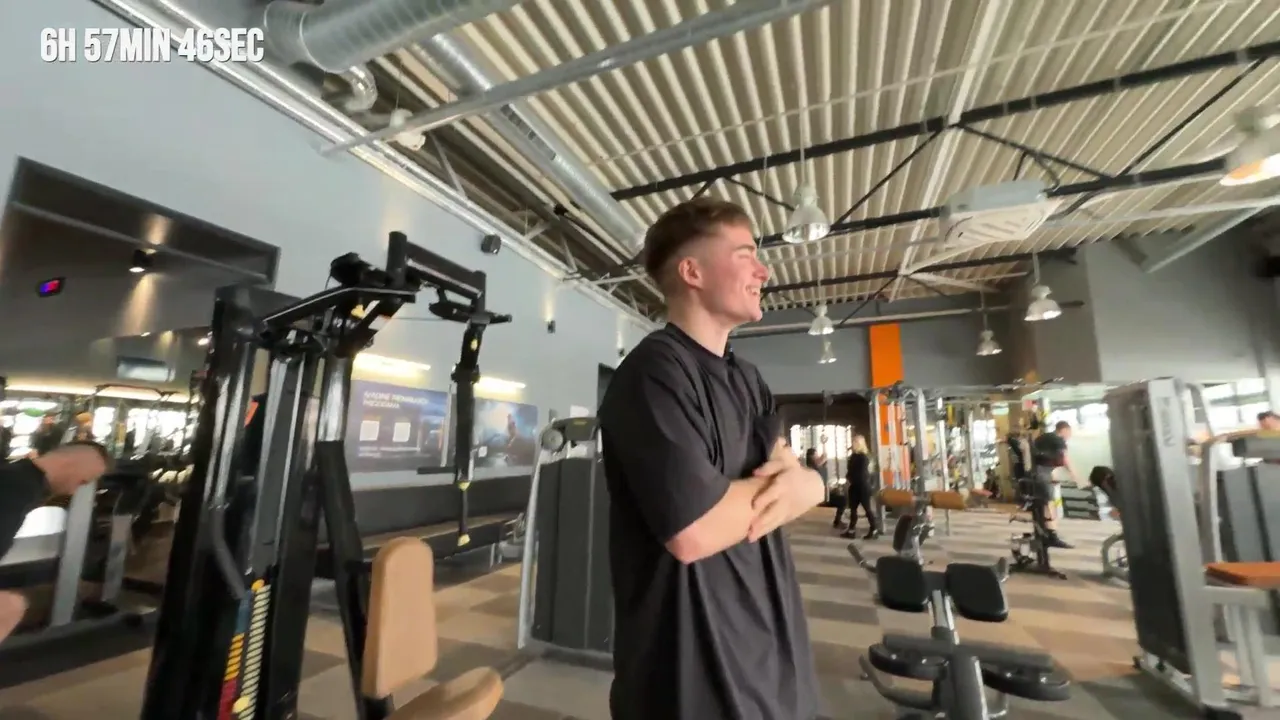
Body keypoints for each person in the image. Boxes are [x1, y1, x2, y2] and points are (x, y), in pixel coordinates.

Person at [598, 197, 824, 720]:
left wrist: (809, 483)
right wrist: (802, 488)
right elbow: (695, 530)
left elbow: (794, 476)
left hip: (766, 648)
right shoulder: (655, 372)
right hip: (691, 670)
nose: (764, 271)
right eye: (745, 254)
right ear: (692, 272)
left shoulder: (748, 378)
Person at [0, 441, 111, 642]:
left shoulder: (17, 477)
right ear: (70, 463)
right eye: (82, 482)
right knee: (11, 607)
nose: (73, 492)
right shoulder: (18, 488)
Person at [1029, 421, 1077, 549]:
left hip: (1035, 473)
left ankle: (1045, 533)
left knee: (1044, 504)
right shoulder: (1058, 440)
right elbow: (1065, 459)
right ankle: (1052, 537)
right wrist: (1075, 476)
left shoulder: (1043, 437)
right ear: (1064, 430)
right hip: (1043, 474)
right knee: (1049, 504)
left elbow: (1041, 458)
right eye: (1069, 432)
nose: (1069, 436)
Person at [838, 434, 880, 540]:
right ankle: (851, 530)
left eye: (855, 442)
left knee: (867, 508)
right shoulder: (854, 456)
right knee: (853, 509)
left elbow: (862, 473)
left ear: (860, 444)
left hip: (862, 486)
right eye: (853, 441)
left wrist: (851, 479)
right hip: (855, 486)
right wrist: (848, 480)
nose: (853, 444)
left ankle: (874, 529)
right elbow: (850, 471)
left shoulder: (863, 457)